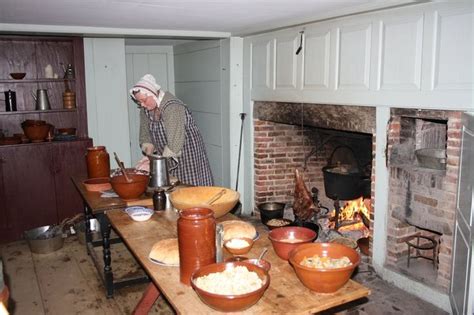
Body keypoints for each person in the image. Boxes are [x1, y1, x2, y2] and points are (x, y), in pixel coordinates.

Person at [129, 74, 213, 186]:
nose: (142, 105)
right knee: (172, 191)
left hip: (188, 156)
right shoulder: (146, 109)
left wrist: (154, 165)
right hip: (166, 158)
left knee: (191, 191)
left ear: (153, 94)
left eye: (144, 100)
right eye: (139, 102)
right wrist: (148, 158)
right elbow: (145, 137)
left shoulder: (172, 107)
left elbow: (174, 146)